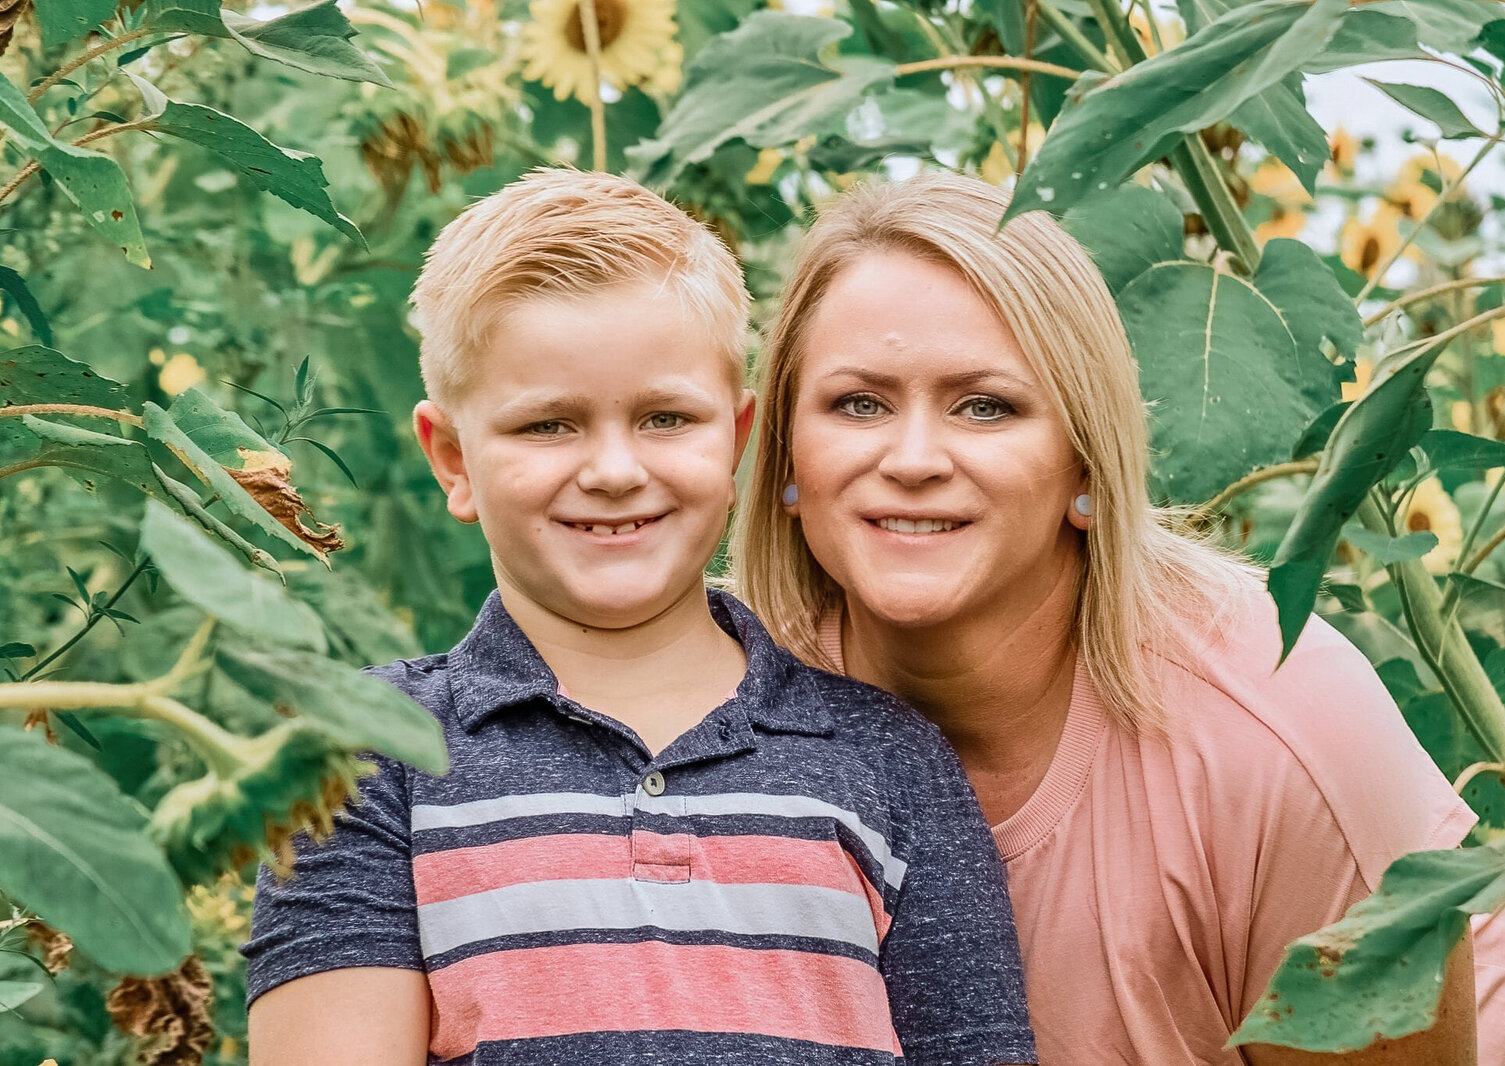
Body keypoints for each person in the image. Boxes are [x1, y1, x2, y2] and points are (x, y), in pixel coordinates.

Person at [734, 170, 1505, 1066]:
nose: (912, 458)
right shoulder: (725, 725)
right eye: (859, 404)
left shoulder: (1274, 723)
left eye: (985, 405)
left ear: (1086, 463)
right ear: (787, 457)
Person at [242, 169, 1037, 1066]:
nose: (615, 470)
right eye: (549, 426)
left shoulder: (888, 758)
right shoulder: (366, 752)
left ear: (737, 441)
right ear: (453, 459)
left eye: (665, 418)